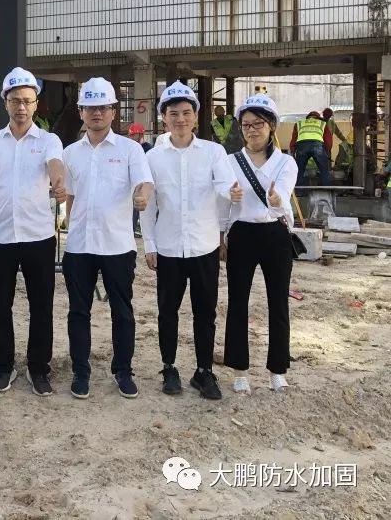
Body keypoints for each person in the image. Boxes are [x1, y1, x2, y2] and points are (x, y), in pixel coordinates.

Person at [61, 77, 154, 400]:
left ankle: (123, 371)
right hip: (79, 246)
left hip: (117, 245)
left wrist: (142, 196)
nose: (97, 113)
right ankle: (80, 372)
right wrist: (69, 226)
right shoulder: (70, 153)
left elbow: (144, 183)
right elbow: (70, 196)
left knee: (122, 312)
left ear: (114, 111)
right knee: (78, 312)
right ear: (81, 112)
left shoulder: (130, 150)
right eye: (90, 107)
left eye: (103, 107)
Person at [139, 81, 232, 400]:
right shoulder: (153, 157)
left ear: (196, 116)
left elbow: (225, 191)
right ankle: (169, 368)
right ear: (163, 117)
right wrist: (149, 244)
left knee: (205, 312)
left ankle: (204, 371)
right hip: (168, 248)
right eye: (173, 113)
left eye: (186, 113)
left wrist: (222, 233)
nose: (180, 119)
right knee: (167, 311)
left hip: (204, 246)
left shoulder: (214, 153)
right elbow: (148, 205)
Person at [0, 67, 65, 396]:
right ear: (5, 103)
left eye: (28, 100)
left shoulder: (49, 141)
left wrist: (58, 182)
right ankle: (3, 367)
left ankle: (38, 369)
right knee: (0, 306)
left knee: (41, 306)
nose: (21, 107)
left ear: (36, 104)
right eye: (15, 100)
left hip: (38, 237)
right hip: (0, 238)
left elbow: (55, 166)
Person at [223, 93, 298, 395]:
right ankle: (239, 370)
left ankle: (277, 370)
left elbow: (282, 196)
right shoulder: (230, 162)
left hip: (274, 234)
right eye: (246, 124)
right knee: (237, 302)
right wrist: (227, 208)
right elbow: (222, 203)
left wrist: (276, 199)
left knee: (278, 302)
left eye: (258, 124)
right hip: (241, 234)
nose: (252, 130)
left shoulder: (286, 162)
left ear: (271, 127)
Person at [289, 111, 332, 185]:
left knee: (299, 170)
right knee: (324, 170)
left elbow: (294, 139)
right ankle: (327, 189)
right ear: (318, 118)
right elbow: (328, 140)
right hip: (317, 145)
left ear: (308, 117)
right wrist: (327, 152)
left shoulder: (299, 123)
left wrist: (293, 150)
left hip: (302, 146)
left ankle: (299, 190)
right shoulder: (322, 123)